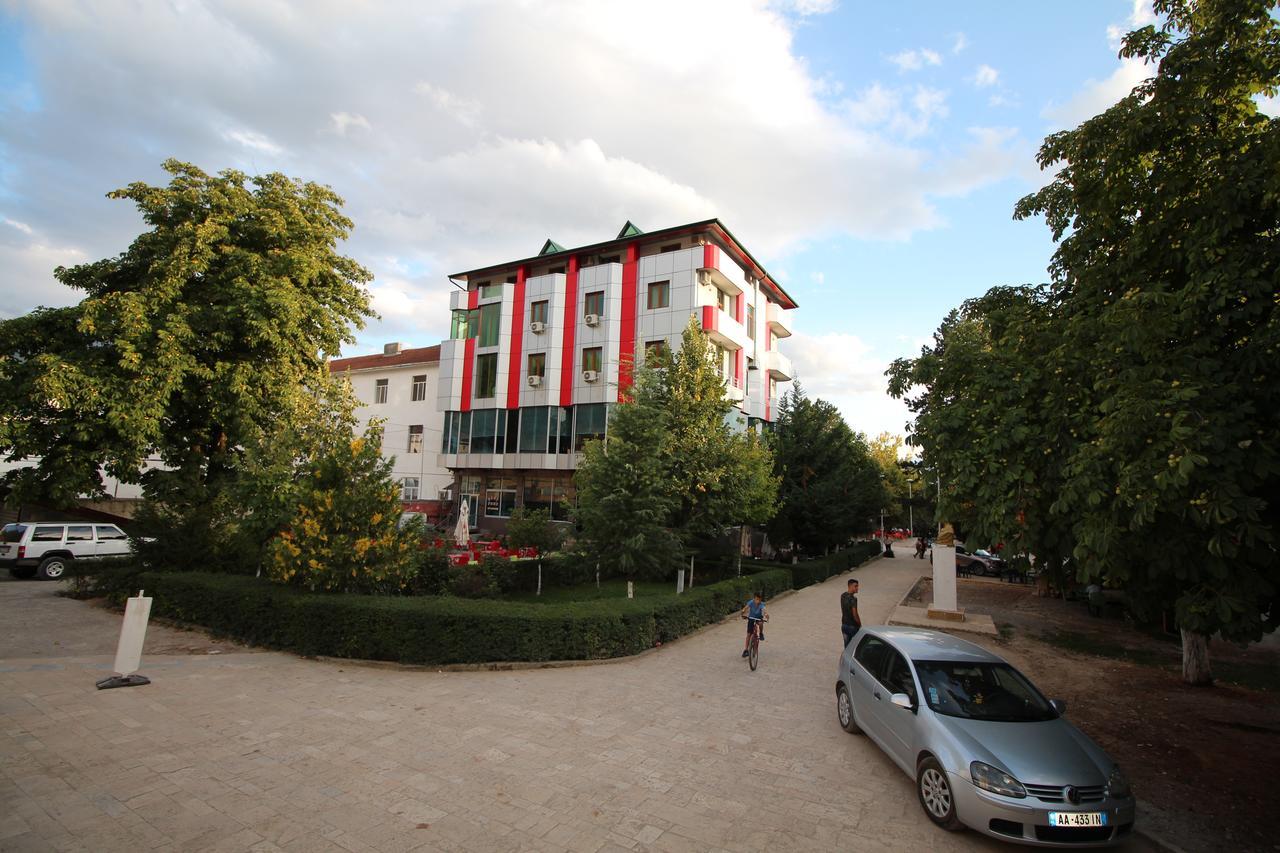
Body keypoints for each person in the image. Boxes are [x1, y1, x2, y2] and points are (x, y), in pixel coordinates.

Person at [741, 591, 768, 657]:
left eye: (759, 599)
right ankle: (746, 650)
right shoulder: (751, 602)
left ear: (761, 599)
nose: (757, 601)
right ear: (754, 598)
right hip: (751, 618)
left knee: (761, 623)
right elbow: (746, 607)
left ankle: (761, 633)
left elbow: (764, 610)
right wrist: (743, 611)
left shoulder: (762, 604)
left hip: (758, 618)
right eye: (756, 599)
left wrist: (766, 614)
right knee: (749, 634)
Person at [840, 578, 861, 647]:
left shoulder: (842, 595)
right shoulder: (853, 599)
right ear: (850, 586)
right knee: (856, 646)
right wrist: (859, 624)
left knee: (846, 646)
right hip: (852, 626)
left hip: (844, 625)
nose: (857, 588)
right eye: (856, 586)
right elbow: (855, 614)